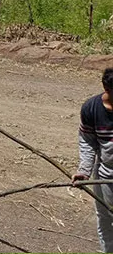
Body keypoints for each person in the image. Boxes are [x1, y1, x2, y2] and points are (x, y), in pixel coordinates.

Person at [73, 68, 113, 252]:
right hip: (106, 172)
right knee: (105, 217)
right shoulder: (91, 108)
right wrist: (84, 171)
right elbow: (87, 142)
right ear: (106, 88)